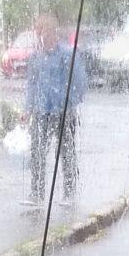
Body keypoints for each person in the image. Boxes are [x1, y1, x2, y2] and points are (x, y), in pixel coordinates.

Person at [23, 13, 86, 209]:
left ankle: (69, 193)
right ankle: (37, 193)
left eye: (42, 31)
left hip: (63, 112)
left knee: (66, 152)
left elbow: (79, 81)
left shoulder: (67, 54)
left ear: (52, 32)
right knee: (37, 152)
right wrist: (28, 109)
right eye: (37, 31)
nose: (39, 36)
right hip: (42, 111)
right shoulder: (36, 57)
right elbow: (32, 84)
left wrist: (69, 104)